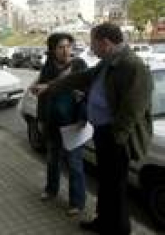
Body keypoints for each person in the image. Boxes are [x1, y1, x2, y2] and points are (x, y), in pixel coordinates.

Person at [31, 23, 153, 235]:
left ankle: (118, 229)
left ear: (105, 43)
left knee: (115, 188)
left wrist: (117, 137)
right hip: (104, 133)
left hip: (116, 138)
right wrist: (49, 86)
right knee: (105, 184)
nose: (91, 48)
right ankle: (103, 222)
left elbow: (134, 109)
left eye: (93, 43)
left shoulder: (133, 66)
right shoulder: (107, 62)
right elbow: (82, 78)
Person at [32, 32, 88, 216]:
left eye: (68, 47)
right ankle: (51, 189)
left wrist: (81, 96)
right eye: (61, 47)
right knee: (52, 160)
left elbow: (89, 90)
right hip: (52, 122)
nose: (66, 51)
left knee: (74, 164)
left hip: (73, 124)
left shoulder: (79, 65)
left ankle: (77, 202)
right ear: (52, 50)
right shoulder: (47, 68)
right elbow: (41, 96)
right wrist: (40, 119)